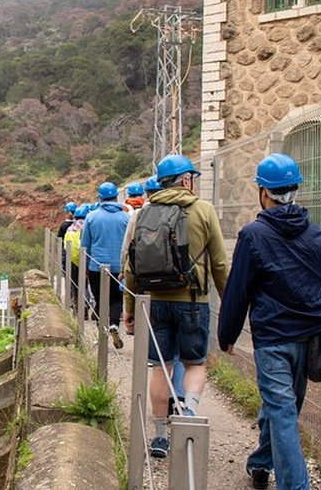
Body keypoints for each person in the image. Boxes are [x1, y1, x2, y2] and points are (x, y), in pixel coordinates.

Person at [218, 153, 321, 490]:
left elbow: (237, 290)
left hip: (273, 340)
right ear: (296, 189)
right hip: (310, 337)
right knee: (285, 409)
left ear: (263, 192)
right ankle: (262, 463)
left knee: (282, 411)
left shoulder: (254, 235)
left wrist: (226, 334)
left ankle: (292, 485)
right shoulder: (317, 234)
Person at [122, 154, 228, 459]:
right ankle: (189, 415)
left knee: (161, 366)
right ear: (185, 180)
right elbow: (219, 263)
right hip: (193, 301)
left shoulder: (143, 214)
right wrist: (229, 304)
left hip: (155, 302)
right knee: (195, 364)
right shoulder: (203, 210)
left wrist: (129, 308)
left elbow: (131, 267)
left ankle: (159, 437)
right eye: (192, 178)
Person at [120, 174, 185, 412]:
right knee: (181, 354)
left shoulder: (138, 216)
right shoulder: (185, 213)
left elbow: (129, 257)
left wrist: (129, 303)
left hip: (150, 292)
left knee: (160, 358)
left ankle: (159, 428)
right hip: (185, 292)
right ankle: (179, 399)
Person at [81, 182, 129, 349]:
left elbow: (85, 245)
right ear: (116, 197)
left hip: (96, 266)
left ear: (100, 197)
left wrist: (86, 267)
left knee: (100, 299)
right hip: (118, 267)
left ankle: (102, 334)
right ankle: (115, 324)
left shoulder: (91, 217)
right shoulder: (125, 217)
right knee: (117, 298)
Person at [64, 205, 89, 307]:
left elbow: (65, 244)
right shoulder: (88, 226)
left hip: (73, 260)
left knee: (75, 284)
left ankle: (78, 306)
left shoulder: (70, 228)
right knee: (86, 284)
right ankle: (86, 304)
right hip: (86, 259)